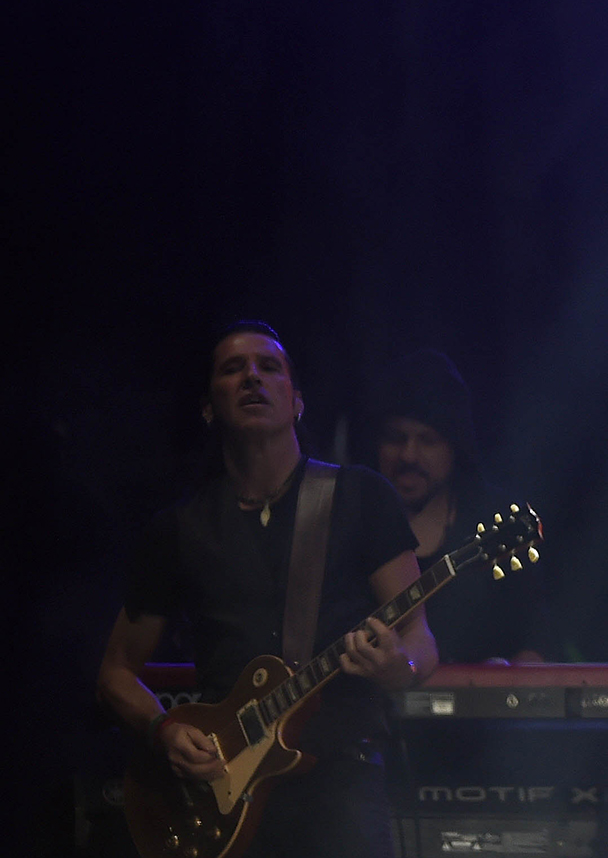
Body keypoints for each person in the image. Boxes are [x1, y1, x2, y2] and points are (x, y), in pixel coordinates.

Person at [96, 321, 437, 858]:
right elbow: (115, 672)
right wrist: (163, 730)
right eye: (233, 369)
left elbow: (419, 638)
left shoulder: (361, 497)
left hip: (339, 780)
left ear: (296, 401)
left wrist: (400, 667)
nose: (252, 376)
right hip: (223, 792)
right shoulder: (179, 529)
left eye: (269, 366)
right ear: (209, 407)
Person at [368, 348, 548, 663]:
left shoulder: (498, 518)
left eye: (427, 440)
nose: (408, 456)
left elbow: (535, 636)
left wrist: (513, 690)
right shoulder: (352, 515)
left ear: (454, 448)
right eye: (396, 438)